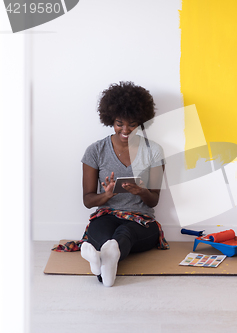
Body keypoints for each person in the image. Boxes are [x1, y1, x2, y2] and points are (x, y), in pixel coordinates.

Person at [80, 81, 168, 287]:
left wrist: (141, 191)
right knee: (102, 231)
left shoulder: (154, 151)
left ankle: (100, 258)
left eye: (132, 124)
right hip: (107, 215)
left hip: (141, 221)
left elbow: (153, 200)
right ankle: (107, 259)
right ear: (111, 120)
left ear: (141, 122)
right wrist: (107, 195)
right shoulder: (95, 151)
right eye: (120, 123)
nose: (125, 129)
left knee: (124, 234)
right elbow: (87, 200)